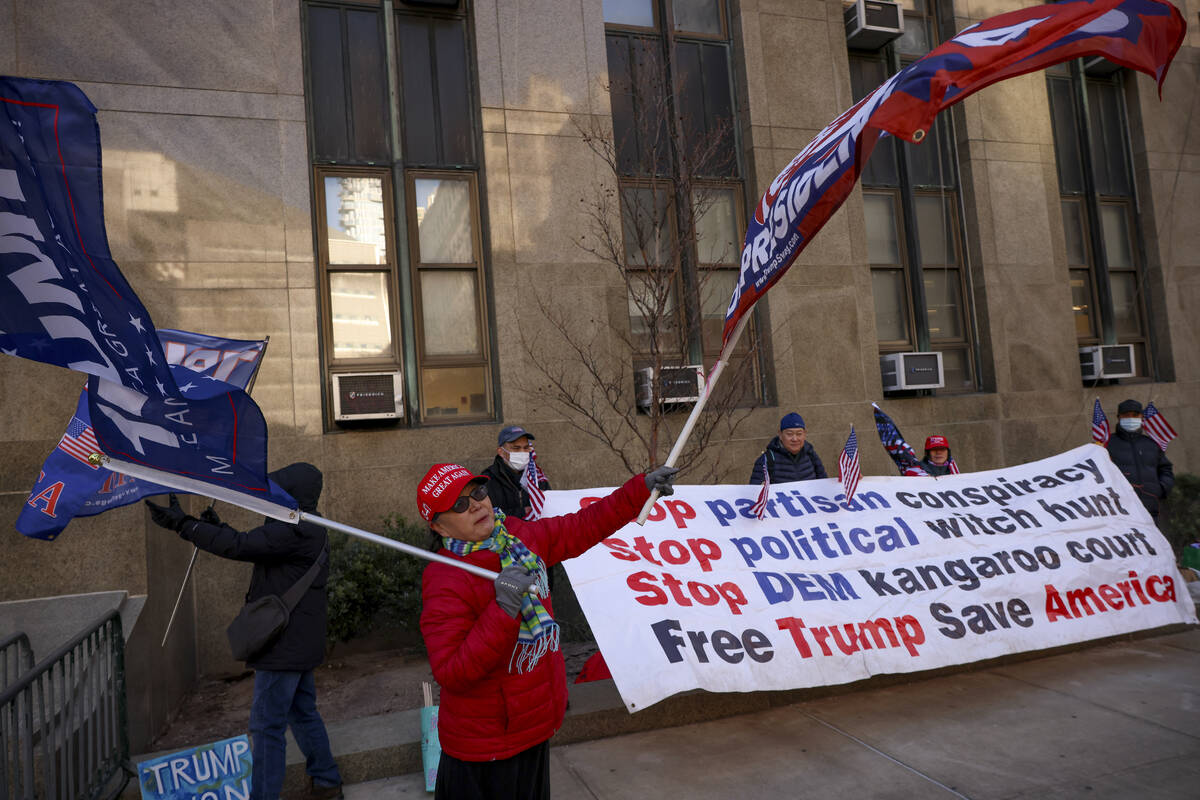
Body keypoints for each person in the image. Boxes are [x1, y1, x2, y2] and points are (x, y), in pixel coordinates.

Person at [417, 461, 678, 800]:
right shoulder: (444, 578)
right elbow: (452, 672)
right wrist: (502, 609)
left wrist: (639, 491)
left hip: (534, 728)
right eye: (459, 505)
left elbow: (582, 526)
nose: (476, 505)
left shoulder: (515, 536)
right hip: (485, 749)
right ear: (440, 527)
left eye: (477, 492)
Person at [145, 464, 343, 800]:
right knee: (302, 712)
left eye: (277, 492)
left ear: (292, 495)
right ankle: (326, 782)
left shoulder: (296, 529)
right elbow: (253, 545)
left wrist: (185, 524)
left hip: (283, 648)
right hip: (297, 643)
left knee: (266, 728)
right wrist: (216, 527)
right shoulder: (305, 527)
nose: (269, 498)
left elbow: (240, 546)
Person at [1106, 398, 1174, 518]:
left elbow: (1165, 469)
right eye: (1126, 415)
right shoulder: (1107, 444)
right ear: (1119, 417)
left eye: (1135, 415)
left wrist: (1162, 488)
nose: (1131, 418)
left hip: (1151, 510)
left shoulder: (1151, 444)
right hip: (1121, 512)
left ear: (1141, 417)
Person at [482, 425, 550, 520]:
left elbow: (550, 507)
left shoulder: (537, 477)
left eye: (526, 447)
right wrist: (522, 512)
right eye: (516, 448)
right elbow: (485, 514)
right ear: (501, 452)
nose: (522, 452)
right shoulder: (487, 480)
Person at [749, 412, 827, 485]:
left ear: (804, 434)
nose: (795, 439)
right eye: (789, 434)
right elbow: (755, 492)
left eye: (799, 434)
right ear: (780, 434)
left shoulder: (811, 454)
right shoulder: (767, 460)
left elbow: (824, 485)